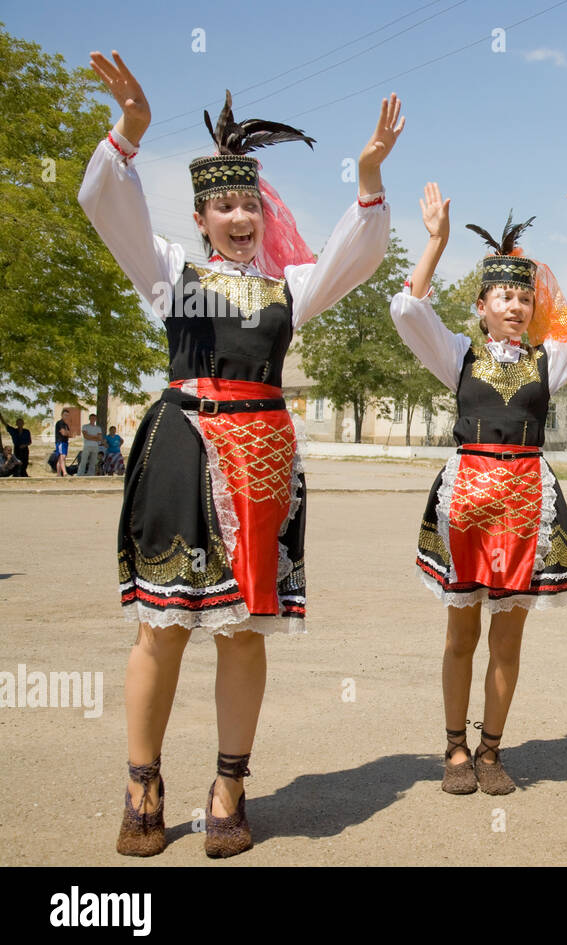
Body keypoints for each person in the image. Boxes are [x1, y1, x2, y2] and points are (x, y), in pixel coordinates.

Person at [81, 50, 401, 857]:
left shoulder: (291, 286)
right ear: (198, 216)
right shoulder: (168, 273)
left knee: (243, 630)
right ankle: (141, 781)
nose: (237, 215)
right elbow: (102, 203)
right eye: (221, 204)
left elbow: (355, 255)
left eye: (246, 201)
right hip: (184, 447)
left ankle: (229, 785)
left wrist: (366, 177)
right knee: (163, 626)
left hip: (262, 458)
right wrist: (130, 132)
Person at [390, 186, 567, 795]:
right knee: (460, 633)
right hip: (466, 497)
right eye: (504, 296)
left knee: (508, 637)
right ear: (482, 305)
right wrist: (436, 243)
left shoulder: (552, 359)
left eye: (524, 296)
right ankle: (455, 749)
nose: (516, 306)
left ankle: (492, 749)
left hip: (526, 502)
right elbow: (407, 311)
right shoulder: (458, 354)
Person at [0, 412, 32, 476]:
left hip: (25, 448)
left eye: (21, 423)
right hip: (17, 448)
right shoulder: (13, 431)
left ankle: (24, 473)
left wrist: (24, 445)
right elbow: (5, 424)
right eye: (18, 423)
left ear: (23, 424)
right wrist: (1, 417)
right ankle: (17, 473)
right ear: (16, 424)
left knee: (25, 461)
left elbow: (29, 441)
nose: (20, 424)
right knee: (17, 461)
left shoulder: (26, 431)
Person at [54, 409, 71, 476]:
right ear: (62, 415)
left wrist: (67, 433)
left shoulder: (66, 425)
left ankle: (58, 474)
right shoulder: (60, 423)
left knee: (60, 459)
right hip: (60, 442)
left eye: (67, 415)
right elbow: (64, 433)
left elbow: (70, 433)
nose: (66, 416)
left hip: (65, 442)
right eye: (65, 415)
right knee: (62, 456)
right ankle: (64, 472)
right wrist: (67, 433)